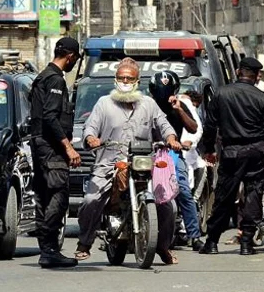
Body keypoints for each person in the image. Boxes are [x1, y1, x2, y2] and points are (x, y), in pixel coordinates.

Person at [75, 58, 182, 264]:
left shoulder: (149, 104)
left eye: (129, 78)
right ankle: (84, 242)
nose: (125, 81)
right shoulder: (103, 103)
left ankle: (162, 246)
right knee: (91, 200)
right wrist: (91, 138)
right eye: (121, 77)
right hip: (109, 164)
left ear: (137, 81)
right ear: (115, 80)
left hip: (143, 164)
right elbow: (90, 128)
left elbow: (164, 125)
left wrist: (171, 139)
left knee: (169, 206)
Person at [199, 57, 264, 256]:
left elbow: (210, 126)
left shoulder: (221, 94)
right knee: (254, 195)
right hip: (256, 152)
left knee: (224, 196)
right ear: (256, 76)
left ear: (238, 72)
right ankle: (246, 241)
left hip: (231, 152)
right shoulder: (262, 98)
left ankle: (211, 241)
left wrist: (208, 149)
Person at [29, 37, 82, 268]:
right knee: (58, 197)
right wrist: (68, 148)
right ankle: (49, 249)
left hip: (40, 145)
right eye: (75, 59)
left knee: (44, 196)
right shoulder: (55, 80)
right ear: (70, 56)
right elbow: (50, 116)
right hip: (50, 148)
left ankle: (47, 250)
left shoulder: (42, 76)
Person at [149, 71, 204, 252]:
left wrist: (179, 109)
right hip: (147, 154)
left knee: (183, 192)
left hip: (172, 155)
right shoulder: (145, 105)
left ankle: (194, 235)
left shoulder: (180, 105)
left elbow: (193, 128)